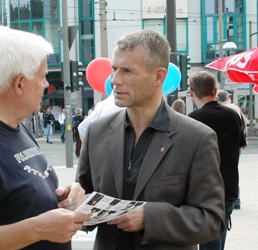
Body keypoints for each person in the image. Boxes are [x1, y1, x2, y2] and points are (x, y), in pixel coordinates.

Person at [76, 30, 225, 250]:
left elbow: (212, 220)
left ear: (158, 76)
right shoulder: (97, 131)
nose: (114, 80)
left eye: (126, 71)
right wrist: (72, 202)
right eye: (114, 69)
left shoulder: (197, 139)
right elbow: (86, 196)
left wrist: (150, 217)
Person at [0, 26, 90, 250]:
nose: (45, 85)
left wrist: (64, 198)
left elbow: (19, 200)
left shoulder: (16, 127)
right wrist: (38, 229)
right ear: (19, 83)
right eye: (42, 77)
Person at [188, 71, 245, 250]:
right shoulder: (232, 115)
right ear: (214, 90)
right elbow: (240, 145)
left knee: (208, 242)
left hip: (205, 190)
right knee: (219, 237)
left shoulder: (192, 120)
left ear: (191, 92)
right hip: (228, 187)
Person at [217, 89, 248, 210]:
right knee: (233, 170)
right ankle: (236, 200)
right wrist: (243, 141)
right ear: (228, 97)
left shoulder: (217, 109)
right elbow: (243, 125)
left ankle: (223, 197)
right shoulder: (235, 109)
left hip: (221, 144)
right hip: (235, 144)